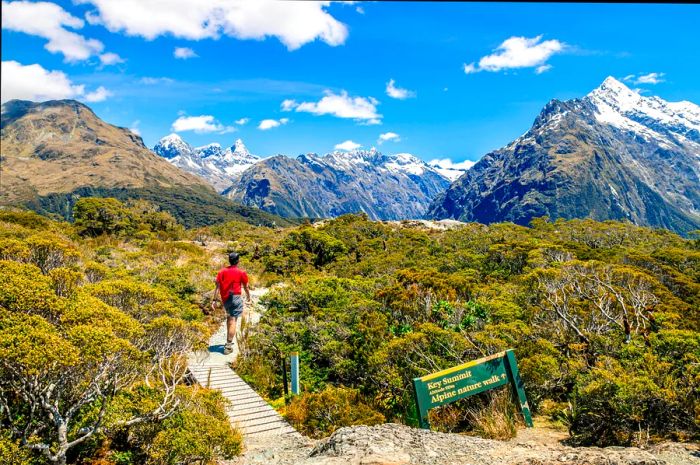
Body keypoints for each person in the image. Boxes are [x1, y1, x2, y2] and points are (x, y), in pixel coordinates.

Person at [211, 252, 251, 355]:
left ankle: (228, 339)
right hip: (235, 298)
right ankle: (228, 346)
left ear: (229, 260)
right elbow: (246, 286)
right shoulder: (241, 272)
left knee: (229, 318)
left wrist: (214, 300)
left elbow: (217, 286)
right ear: (238, 261)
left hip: (225, 299)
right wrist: (249, 297)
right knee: (233, 320)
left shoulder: (222, 272)